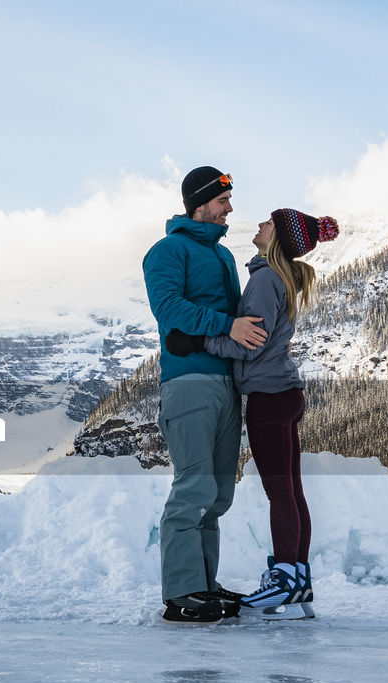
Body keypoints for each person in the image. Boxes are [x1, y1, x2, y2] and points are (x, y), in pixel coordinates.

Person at [167, 208, 338, 620]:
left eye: (269, 223)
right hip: (282, 394)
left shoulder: (264, 278)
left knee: (280, 493)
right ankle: (296, 579)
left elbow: (250, 343)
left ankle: (286, 581)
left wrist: (197, 343)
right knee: (291, 491)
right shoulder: (277, 277)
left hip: (269, 397)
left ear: (277, 237)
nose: (260, 225)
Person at [143, 167, 268, 625]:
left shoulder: (221, 257)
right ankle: (181, 593)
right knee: (193, 486)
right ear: (198, 203)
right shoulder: (167, 251)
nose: (229, 209)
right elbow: (169, 308)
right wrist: (225, 326)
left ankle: (204, 585)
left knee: (216, 495)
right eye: (222, 201)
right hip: (188, 383)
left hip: (224, 384)